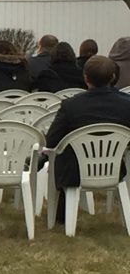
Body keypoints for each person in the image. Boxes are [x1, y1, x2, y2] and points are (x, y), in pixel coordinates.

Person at [45, 55, 130, 217]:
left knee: (64, 154)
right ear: (113, 77)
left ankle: (63, 213)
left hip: (75, 172)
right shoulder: (127, 104)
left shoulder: (71, 105)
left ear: (85, 77)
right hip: (114, 169)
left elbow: (51, 141)